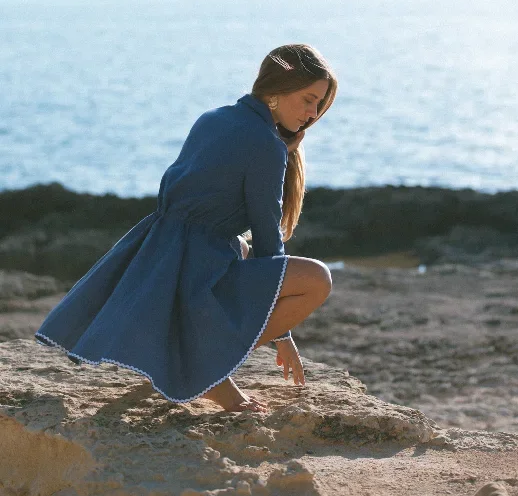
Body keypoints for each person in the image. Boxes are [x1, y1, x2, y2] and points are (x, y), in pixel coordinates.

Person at [35, 43, 337, 413]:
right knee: (318, 279)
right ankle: (200, 369)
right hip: (196, 270)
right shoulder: (265, 144)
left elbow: (189, 202)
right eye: (309, 99)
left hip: (163, 254)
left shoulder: (213, 118)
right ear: (278, 88)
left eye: (319, 104)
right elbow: (268, 238)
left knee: (238, 247)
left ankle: (195, 364)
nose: (312, 113)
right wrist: (282, 333)